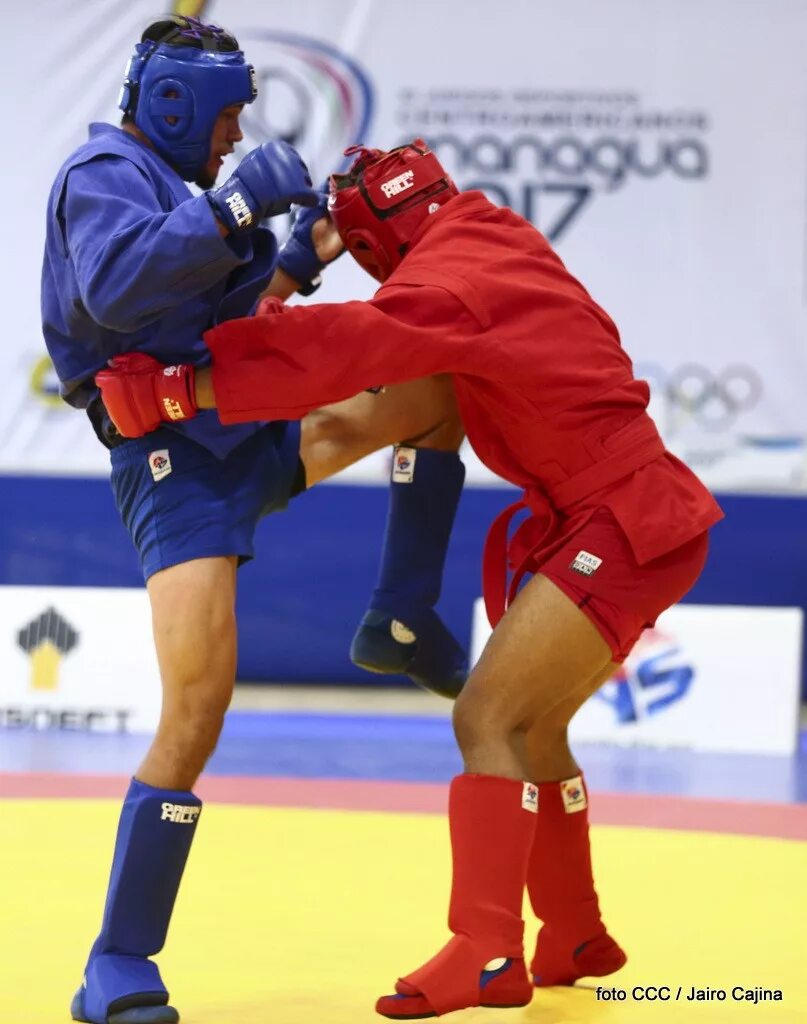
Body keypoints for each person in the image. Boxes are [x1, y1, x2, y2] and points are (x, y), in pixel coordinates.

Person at [97, 139, 723, 1019]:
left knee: (487, 717)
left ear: (378, 236)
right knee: (534, 730)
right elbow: (388, 352)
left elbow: (345, 348)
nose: (364, 266)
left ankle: (486, 951)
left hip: (620, 524)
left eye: (357, 250)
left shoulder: (449, 284)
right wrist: (288, 281)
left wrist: (182, 389)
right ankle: (576, 931)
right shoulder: (490, 239)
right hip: (620, 514)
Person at [42, 15, 466, 1023]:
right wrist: (232, 205)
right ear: (178, 103)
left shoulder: (184, 190)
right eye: (227, 113)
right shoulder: (99, 174)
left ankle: (401, 614)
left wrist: (315, 240)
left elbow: (234, 312)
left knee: (435, 388)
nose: (235, 133)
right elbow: (115, 284)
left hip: (250, 426)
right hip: (174, 466)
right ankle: (117, 961)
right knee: (198, 708)